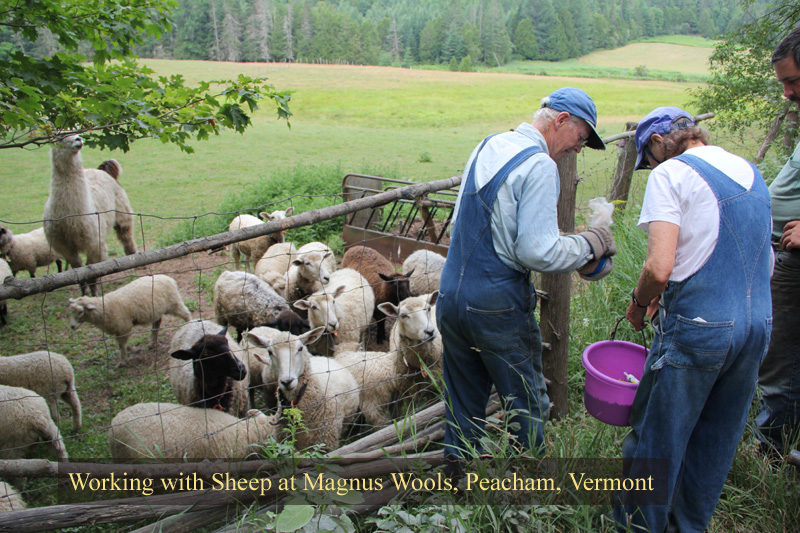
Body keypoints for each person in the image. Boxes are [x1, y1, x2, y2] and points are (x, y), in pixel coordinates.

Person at [614, 106, 772, 532]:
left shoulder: (673, 174)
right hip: (756, 326)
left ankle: (639, 527)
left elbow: (659, 267)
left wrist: (638, 301)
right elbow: (765, 263)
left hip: (699, 329)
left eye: (648, 159)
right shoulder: (749, 172)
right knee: (714, 443)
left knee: (655, 443)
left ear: (657, 143)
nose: (651, 168)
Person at [436, 87, 614, 462]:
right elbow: (537, 251)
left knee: (463, 401)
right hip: (496, 304)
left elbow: (467, 222)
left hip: (451, 293)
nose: (577, 149)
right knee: (525, 400)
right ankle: (526, 492)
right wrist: (590, 244)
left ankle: (459, 489)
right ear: (562, 120)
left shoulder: (489, 144)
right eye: (580, 138)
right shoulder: (540, 165)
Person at [755, 25, 800, 456]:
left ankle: (771, 451)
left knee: (780, 353)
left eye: (792, 81)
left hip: (794, 257)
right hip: (782, 250)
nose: (787, 93)